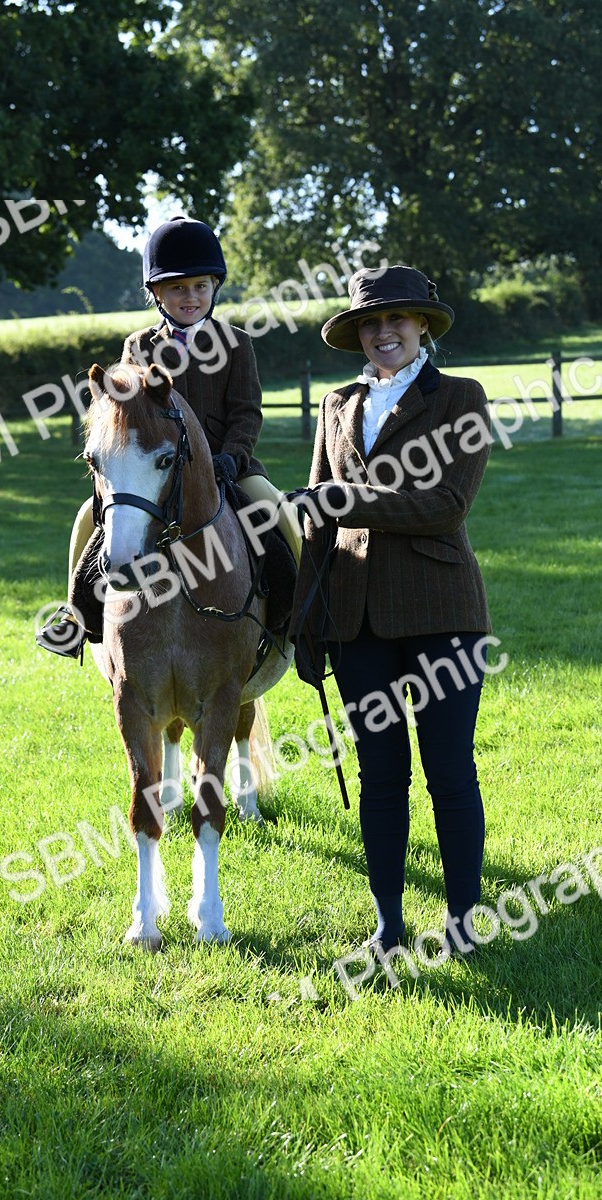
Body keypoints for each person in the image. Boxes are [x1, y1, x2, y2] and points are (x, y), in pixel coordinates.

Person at [289, 264, 492, 958]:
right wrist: (305, 624)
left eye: (397, 320)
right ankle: (389, 924)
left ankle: (464, 921)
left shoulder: (461, 398)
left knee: (449, 771)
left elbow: (447, 506)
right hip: (353, 621)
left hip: (443, 615)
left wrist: (346, 501)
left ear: (424, 327)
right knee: (381, 778)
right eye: (371, 323)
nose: (384, 333)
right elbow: (316, 520)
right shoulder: (336, 405)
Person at [38, 215, 301, 657]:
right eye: (178, 288)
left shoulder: (236, 343)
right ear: (156, 294)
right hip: (156, 472)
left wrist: (233, 458)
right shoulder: (139, 346)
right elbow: (128, 414)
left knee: (280, 514)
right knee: (88, 515)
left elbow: (247, 413)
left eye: (200, 286)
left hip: (229, 469)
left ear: (214, 288)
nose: (191, 297)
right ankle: (75, 618)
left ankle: (302, 622)